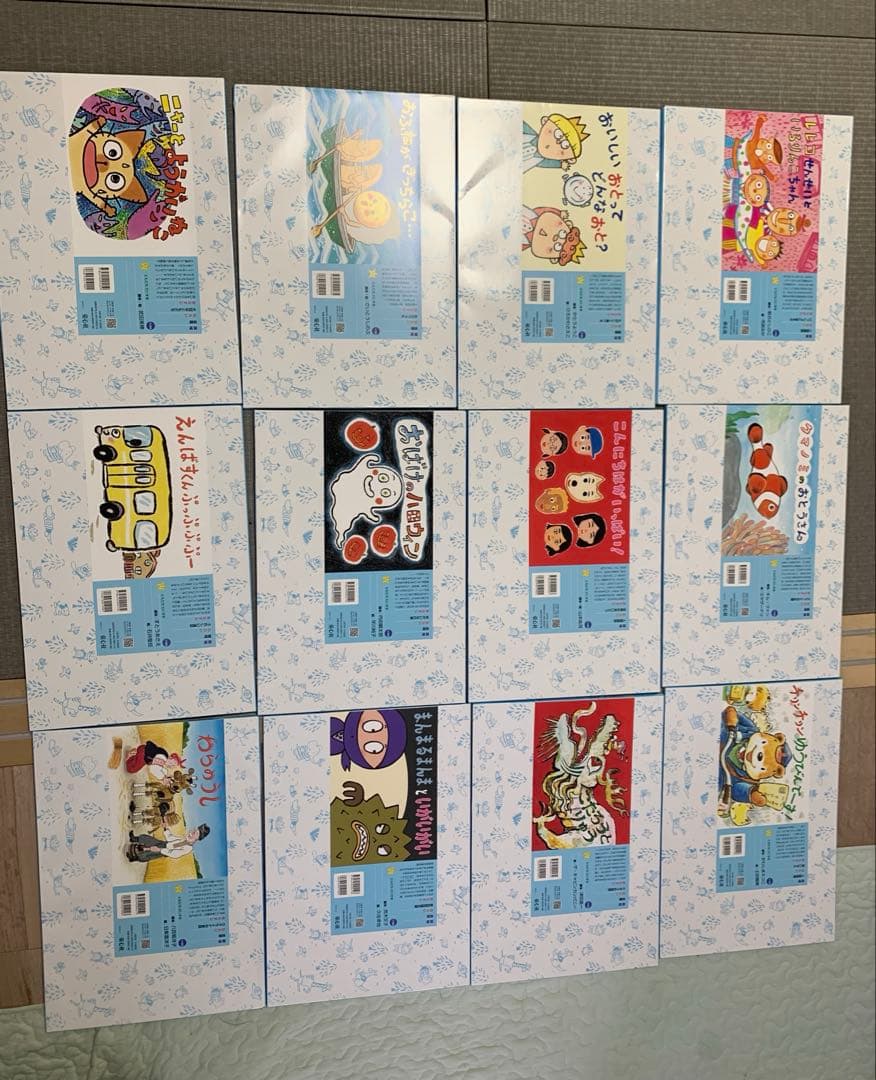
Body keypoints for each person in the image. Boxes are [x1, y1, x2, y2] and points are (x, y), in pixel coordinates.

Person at [126, 824, 210, 863]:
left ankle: (133, 858)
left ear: (198, 838)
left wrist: (160, 850)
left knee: (148, 854)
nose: (193, 832)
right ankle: (134, 839)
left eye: (196, 833)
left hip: (165, 851)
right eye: (195, 830)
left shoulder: (188, 848)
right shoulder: (184, 838)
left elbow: (174, 854)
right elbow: (171, 838)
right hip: (164, 844)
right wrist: (166, 829)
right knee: (148, 839)